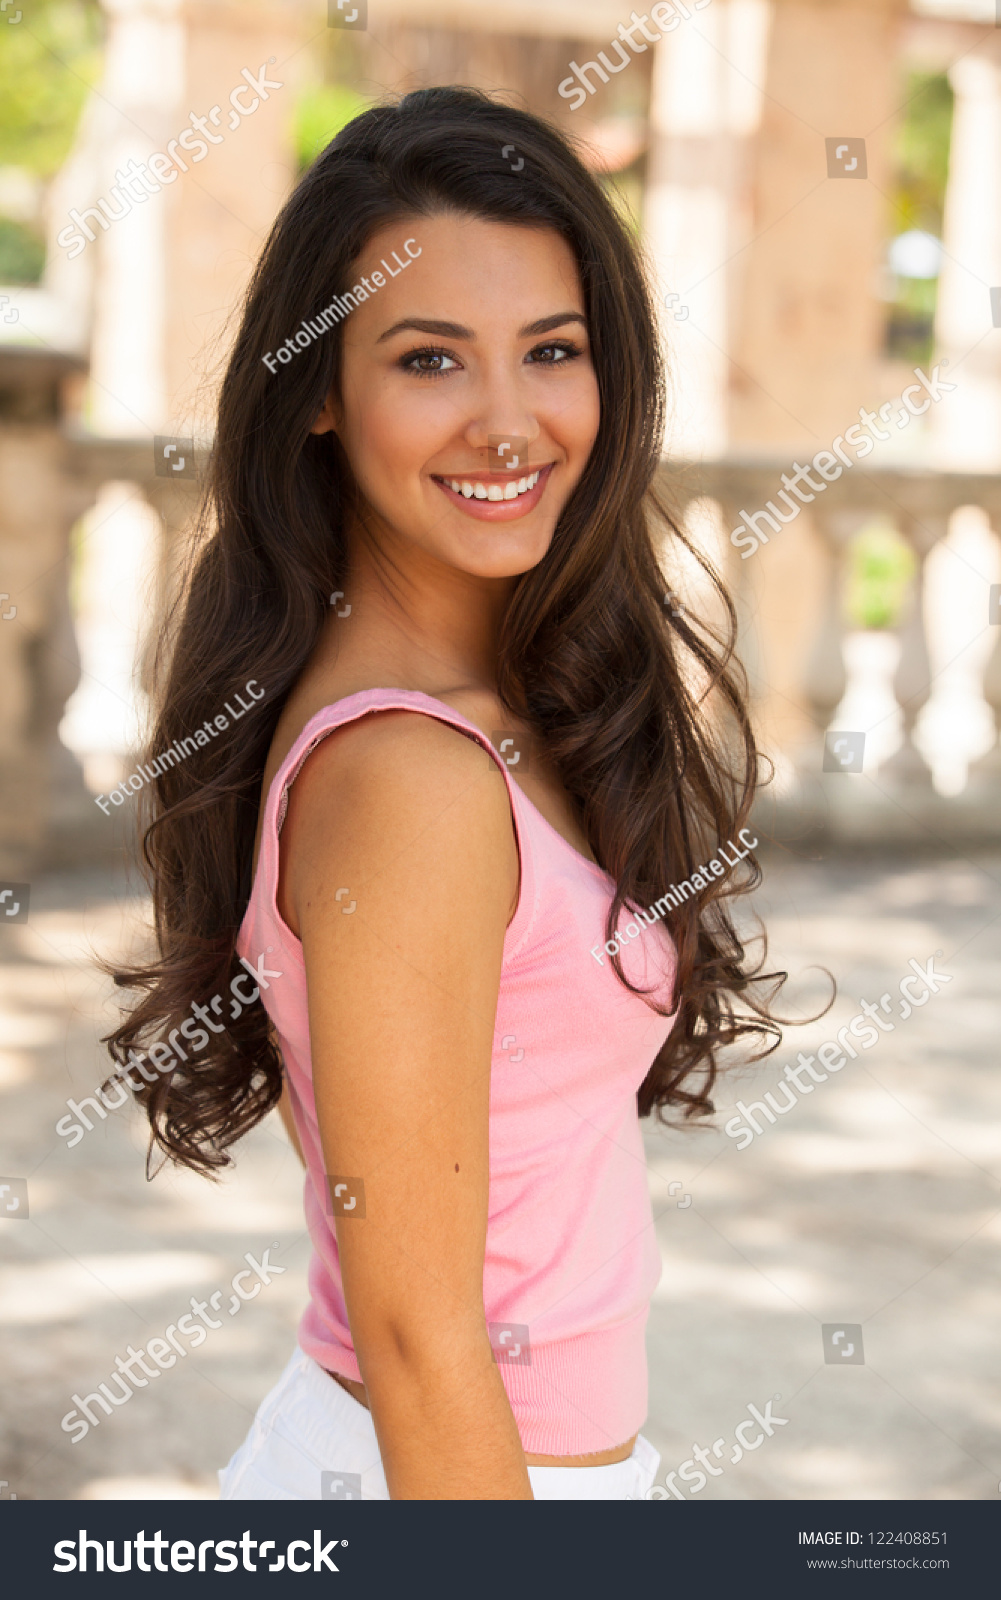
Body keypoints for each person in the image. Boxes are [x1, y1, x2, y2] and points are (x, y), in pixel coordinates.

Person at [106, 86, 784, 1500]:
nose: (508, 421)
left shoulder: (500, 718)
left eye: (552, 350)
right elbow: (417, 1337)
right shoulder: (407, 781)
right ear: (314, 401)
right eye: (428, 361)